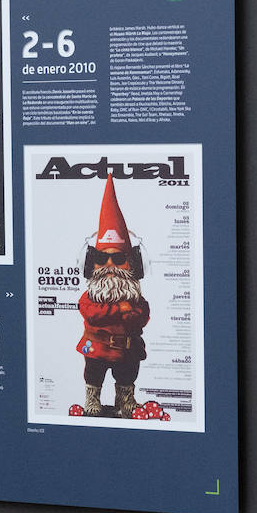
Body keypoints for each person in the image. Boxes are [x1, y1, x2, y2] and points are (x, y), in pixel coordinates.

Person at [77, 174, 150, 418]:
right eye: (101, 258)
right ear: (92, 263)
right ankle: (92, 401)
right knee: (93, 377)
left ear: (132, 265)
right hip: (96, 349)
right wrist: (121, 309)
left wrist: (130, 312)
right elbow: (92, 315)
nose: (110, 265)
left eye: (118, 259)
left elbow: (140, 317)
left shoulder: (137, 298)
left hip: (128, 352)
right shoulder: (90, 296)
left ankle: (126, 403)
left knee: (127, 378)